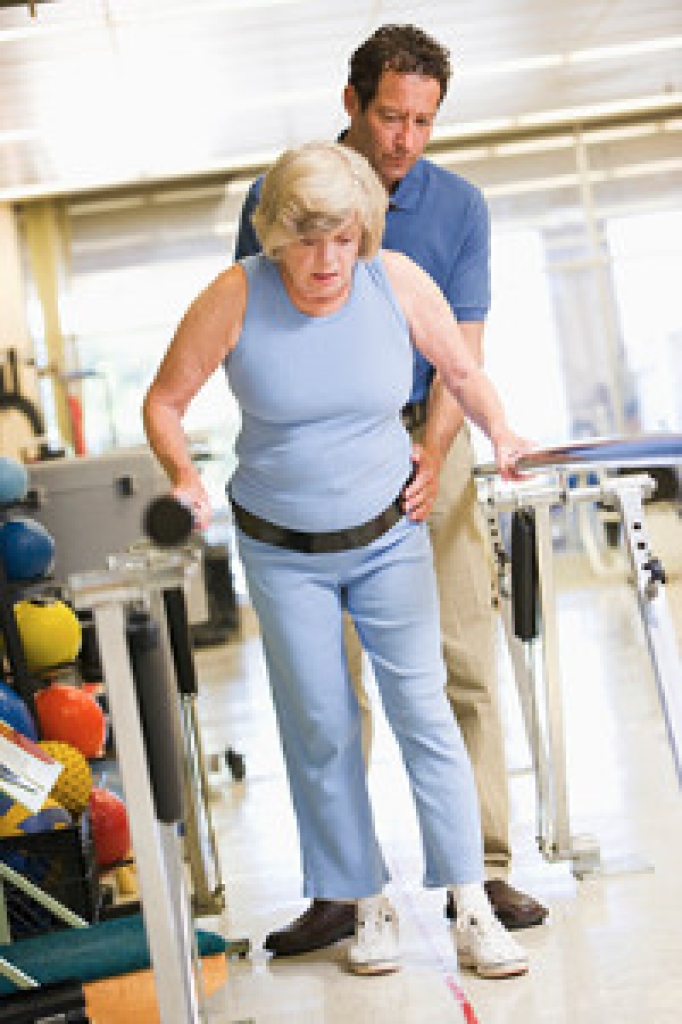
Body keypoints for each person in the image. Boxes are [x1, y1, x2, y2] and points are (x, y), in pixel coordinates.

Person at [144, 141, 532, 978]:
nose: (326, 261)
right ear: (276, 235)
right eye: (307, 240)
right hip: (282, 551)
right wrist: (184, 476)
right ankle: (365, 904)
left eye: (343, 239)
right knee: (320, 726)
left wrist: (501, 431)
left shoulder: (396, 281)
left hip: (388, 536)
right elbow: (165, 400)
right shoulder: (236, 293)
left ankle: (471, 905)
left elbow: (461, 371)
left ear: (365, 232)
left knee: (424, 710)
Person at [235, 24, 548, 959]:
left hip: (428, 436)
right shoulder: (282, 192)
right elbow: (256, 322)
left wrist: (433, 452)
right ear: (351, 102)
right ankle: (344, 887)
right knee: (325, 689)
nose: (406, 137)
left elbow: (462, 349)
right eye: (389, 115)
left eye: (423, 120)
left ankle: (479, 871)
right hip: (318, 458)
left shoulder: (459, 207)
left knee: (460, 661)